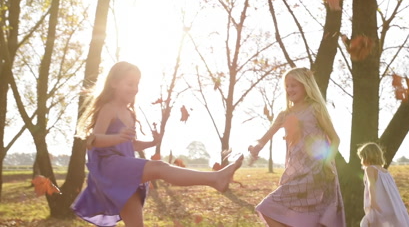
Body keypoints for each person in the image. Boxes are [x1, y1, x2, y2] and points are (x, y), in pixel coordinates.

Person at [71, 61, 243, 227]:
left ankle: (215, 180)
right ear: (114, 83)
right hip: (109, 167)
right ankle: (215, 179)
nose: (134, 89)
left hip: (124, 170)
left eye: (136, 84)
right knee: (159, 167)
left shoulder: (129, 113)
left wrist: (152, 142)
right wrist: (118, 137)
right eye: (130, 83)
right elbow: (93, 141)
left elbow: (130, 145)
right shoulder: (108, 108)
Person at [248, 67, 346, 227]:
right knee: (267, 208)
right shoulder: (284, 115)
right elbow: (264, 138)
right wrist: (255, 148)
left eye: (294, 85)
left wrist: (327, 161)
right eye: (287, 86)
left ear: (305, 85)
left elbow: (335, 139)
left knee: (316, 219)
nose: (289, 89)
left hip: (317, 173)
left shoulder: (316, 109)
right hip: (295, 173)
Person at [357, 142, 409, 227]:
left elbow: (371, 185)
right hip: (391, 205)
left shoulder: (370, 169)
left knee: (369, 223)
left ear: (366, 157)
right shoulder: (385, 172)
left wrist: (372, 201)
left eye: (362, 157)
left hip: (378, 204)